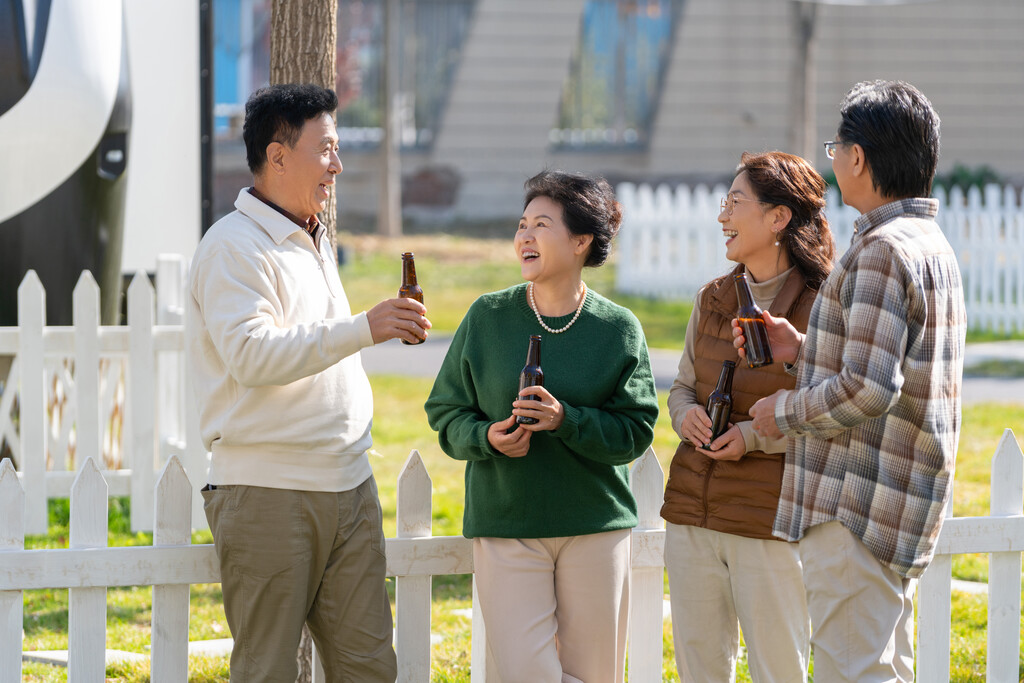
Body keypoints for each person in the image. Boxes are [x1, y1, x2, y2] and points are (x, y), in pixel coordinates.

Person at [187, 83, 431, 682]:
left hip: (349, 486)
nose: (337, 165)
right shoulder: (231, 247)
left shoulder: (314, 237)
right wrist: (363, 328)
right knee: (267, 671)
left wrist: (365, 329)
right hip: (268, 491)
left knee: (370, 668)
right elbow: (251, 355)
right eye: (325, 149)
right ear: (277, 156)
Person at [737, 80, 967, 682]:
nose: (832, 159)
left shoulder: (880, 250)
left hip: (855, 503)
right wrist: (806, 349)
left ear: (858, 157)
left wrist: (781, 411)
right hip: (901, 497)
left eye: (835, 147)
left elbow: (869, 389)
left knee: (851, 672)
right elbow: (894, 365)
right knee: (885, 669)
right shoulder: (929, 244)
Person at [424, 170, 659, 683]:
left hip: (595, 526)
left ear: (581, 241)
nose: (525, 236)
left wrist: (565, 420)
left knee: (595, 674)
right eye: (522, 225)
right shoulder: (488, 317)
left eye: (542, 225)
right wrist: (486, 437)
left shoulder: (618, 328)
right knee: (527, 673)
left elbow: (636, 430)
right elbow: (445, 410)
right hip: (508, 524)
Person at [662, 151, 834, 683]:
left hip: (771, 520)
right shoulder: (711, 299)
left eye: (736, 202)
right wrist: (685, 415)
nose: (723, 217)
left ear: (778, 217)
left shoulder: (826, 306)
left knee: (779, 668)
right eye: (724, 202)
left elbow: (837, 410)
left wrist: (751, 439)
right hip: (693, 512)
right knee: (699, 667)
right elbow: (682, 387)